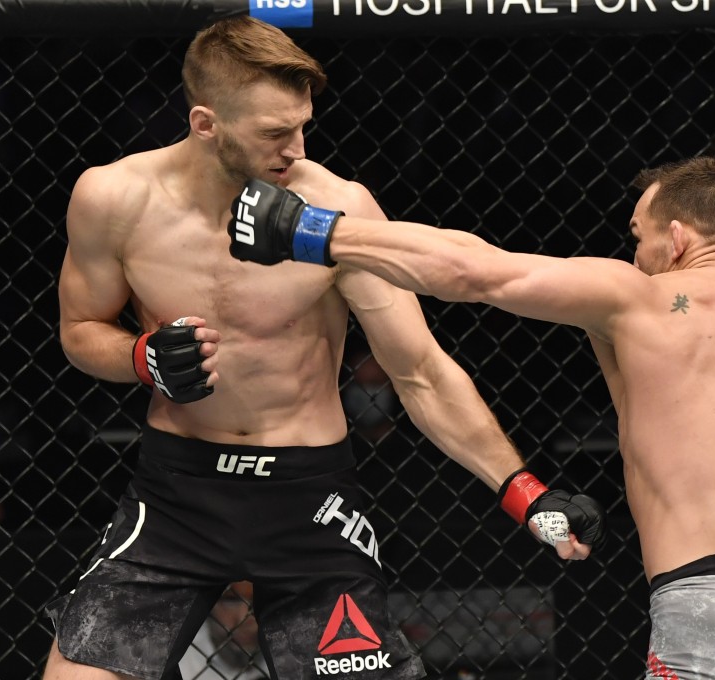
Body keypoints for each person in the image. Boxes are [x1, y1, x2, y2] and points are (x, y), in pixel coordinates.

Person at [45, 15, 606, 680]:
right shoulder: (114, 198)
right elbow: (81, 332)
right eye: (276, 133)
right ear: (205, 123)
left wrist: (524, 491)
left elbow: (418, 371)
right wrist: (140, 358)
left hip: (308, 498)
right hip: (176, 494)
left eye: (304, 125)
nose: (298, 148)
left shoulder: (336, 211)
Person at [228, 155, 715, 679]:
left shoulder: (644, 298)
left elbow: (477, 272)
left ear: (676, 238)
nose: (634, 252)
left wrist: (308, 229)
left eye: (638, 236)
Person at [179, 581, 269, 680]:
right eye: (230, 600)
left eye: (258, 601)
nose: (244, 617)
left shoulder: (282, 654)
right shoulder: (181, 662)